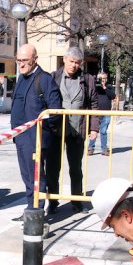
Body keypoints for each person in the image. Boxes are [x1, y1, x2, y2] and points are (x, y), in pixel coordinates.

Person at [10, 43, 61, 220]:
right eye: (18, 60)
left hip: (36, 139)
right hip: (21, 138)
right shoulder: (21, 78)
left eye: (25, 60)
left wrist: (42, 130)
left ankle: (36, 213)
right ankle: (30, 209)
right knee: (27, 176)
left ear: (35, 59)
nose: (21, 64)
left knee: (36, 177)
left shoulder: (44, 79)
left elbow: (55, 110)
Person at [49, 47, 98, 214]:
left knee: (76, 168)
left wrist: (94, 127)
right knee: (53, 168)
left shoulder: (88, 79)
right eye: (71, 62)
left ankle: (77, 201)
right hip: (56, 130)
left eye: (77, 63)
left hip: (78, 130)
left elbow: (93, 105)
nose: (74, 65)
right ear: (64, 60)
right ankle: (53, 201)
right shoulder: (53, 77)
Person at [90, 71, 116, 156]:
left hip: (106, 112)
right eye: (101, 79)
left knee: (103, 131)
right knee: (94, 130)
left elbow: (112, 96)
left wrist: (105, 88)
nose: (103, 80)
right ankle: (91, 148)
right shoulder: (94, 87)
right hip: (96, 112)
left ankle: (104, 149)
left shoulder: (109, 87)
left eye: (105, 78)